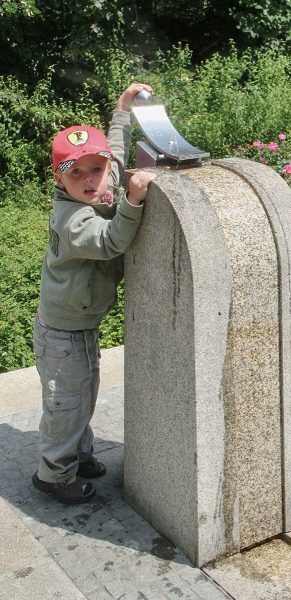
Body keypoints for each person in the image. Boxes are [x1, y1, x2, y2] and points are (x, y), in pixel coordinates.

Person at [32, 82, 156, 504]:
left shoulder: (104, 180)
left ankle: (79, 456)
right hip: (62, 331)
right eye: (76, 172)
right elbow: (109, 242)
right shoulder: (73, 221)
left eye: (95, 169)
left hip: (78, 324)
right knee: (65, 404)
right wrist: (133, 204)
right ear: (59, 177)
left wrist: (121, 111)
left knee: (82, 395)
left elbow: (116, 155)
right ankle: (54, 474)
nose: (91, 180)